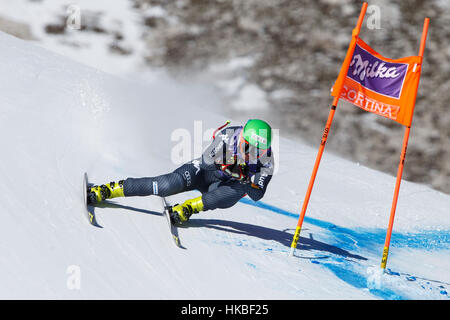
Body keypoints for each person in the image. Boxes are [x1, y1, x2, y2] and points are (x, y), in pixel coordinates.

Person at [87, 119, 274, 224]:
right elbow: (206, 162)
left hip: (221, 186)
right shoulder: (229, 135)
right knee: (166, 185)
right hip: (204, 172)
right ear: (241, 138)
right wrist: (225, 163)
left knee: (233, 192)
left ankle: (189, 208)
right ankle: (110, 189)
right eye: (248, 147)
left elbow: (257, 194)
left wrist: (243, 180)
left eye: (259, 151)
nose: (251, 154)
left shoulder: (267, 162)